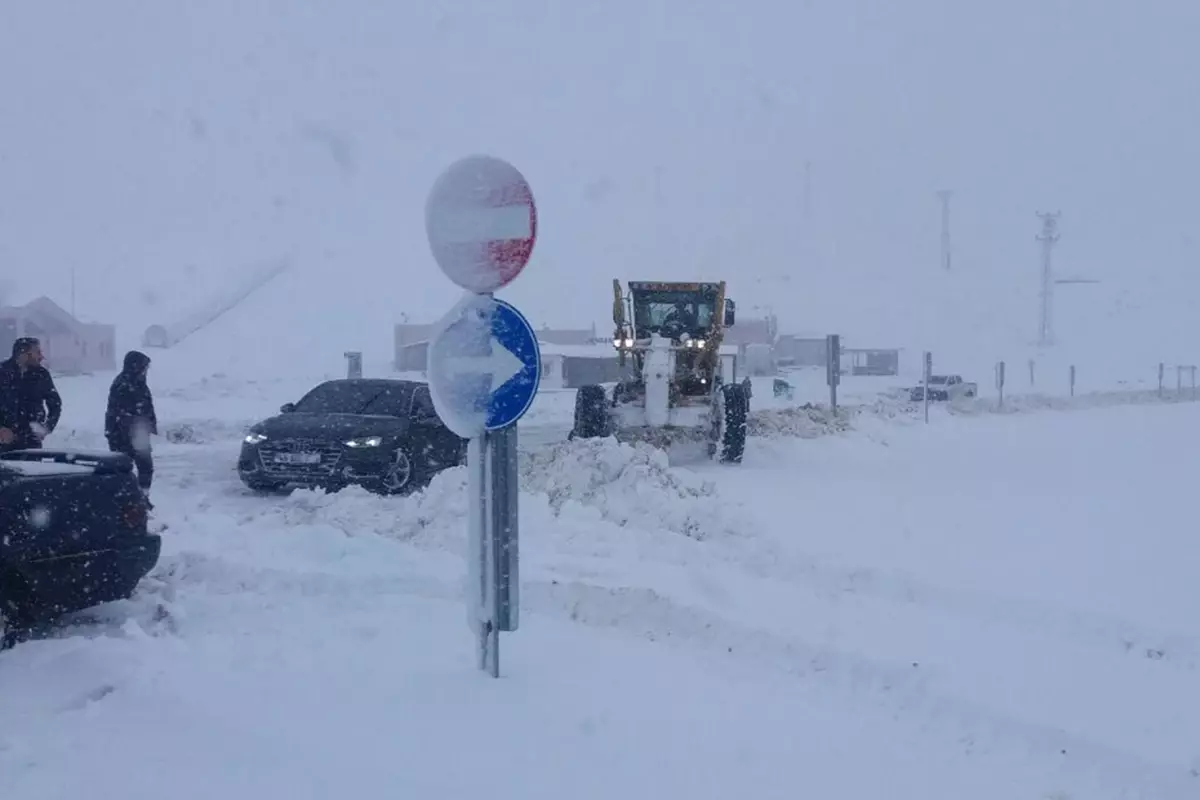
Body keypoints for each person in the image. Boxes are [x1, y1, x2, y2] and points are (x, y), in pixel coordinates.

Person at [105, 350, 157, 505]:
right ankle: (125, 500)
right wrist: (132, 430)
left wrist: (150, 423)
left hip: (137, 433)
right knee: (123, 468)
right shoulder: (122, 384)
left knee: (145, 466)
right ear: (136, 366)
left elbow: (147, 405)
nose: (146, 370)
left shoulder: (139, 383)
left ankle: (142, 497)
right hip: (121, 434)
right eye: (144, 367)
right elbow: (120, 412)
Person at [0, 337, 63, 452]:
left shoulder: (42, 375)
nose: (41, 357)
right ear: (23, 353)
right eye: (37, 352)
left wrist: (47, 427)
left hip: (31, 442)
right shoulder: (2, 372)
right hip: (3, 443)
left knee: (32, 469)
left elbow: (55, 404)